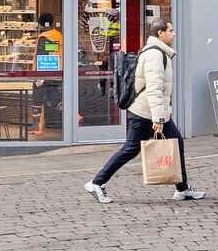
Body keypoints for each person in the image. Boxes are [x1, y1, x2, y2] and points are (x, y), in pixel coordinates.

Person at [85, 16, 202, 203]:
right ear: (160, 33)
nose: (174, 34)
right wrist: (158, 119)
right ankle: (96, 182)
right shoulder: (155, 54)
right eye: (170, 31)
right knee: (131, 149)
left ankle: (182, 188)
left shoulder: (157, 52)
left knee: (176, 142)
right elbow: (154, 89)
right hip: (145, 113)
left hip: (152, 112)